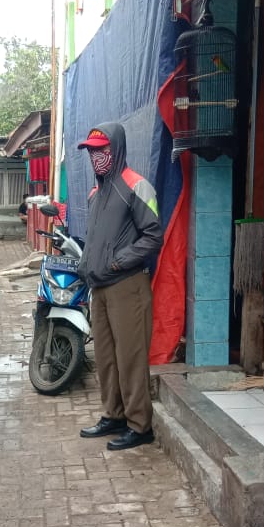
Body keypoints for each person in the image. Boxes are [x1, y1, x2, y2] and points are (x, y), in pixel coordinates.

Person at [76, 123, 163, 450]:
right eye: (91, 152)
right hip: (100, 288)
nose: (96, 157)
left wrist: (117, 261)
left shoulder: (137, 186)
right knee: (106, 357)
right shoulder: (96, 194)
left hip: (128, 285)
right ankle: (114, 415)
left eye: (102, 150)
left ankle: (140, 425)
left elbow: (154, 236)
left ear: (117, 150)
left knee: (131, 357)